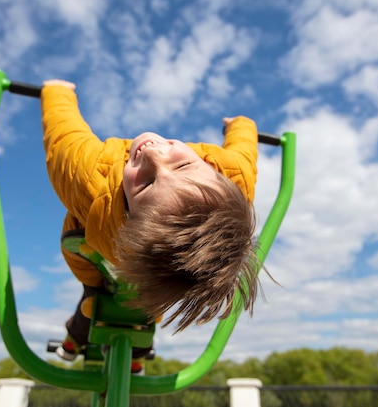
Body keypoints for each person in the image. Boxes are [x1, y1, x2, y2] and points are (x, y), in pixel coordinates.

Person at [41, 79, 261, 372]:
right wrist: (240, 124)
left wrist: (58, 89)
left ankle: (136, 334)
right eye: (184, 166)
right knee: (98, 293)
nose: (154, 154)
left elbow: (63, 138)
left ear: (132, 216)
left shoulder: (86, 178)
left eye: (145, 185)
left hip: (117, 244)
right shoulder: (235, 175)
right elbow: (245, 149)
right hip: (88, 244)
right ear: (214, 172)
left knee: (146, 301)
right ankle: (87, 326)